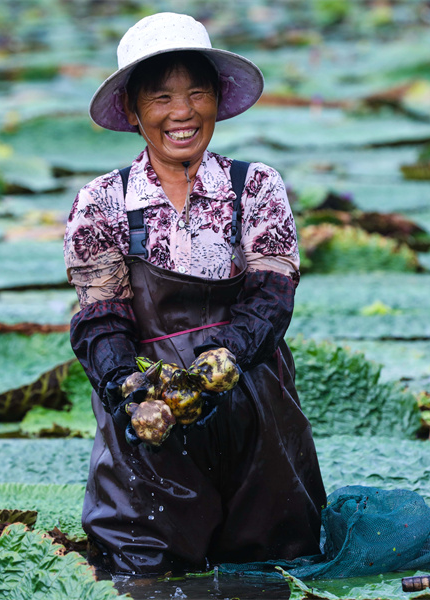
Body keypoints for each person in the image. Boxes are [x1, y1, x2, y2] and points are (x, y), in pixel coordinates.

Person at [64, 12, 326, 575]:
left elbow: (271, 296)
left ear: (217, 100)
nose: (182, 112)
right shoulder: (102, 203)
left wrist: (223, 358)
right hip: (149, 419)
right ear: (134, 112)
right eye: (160, 97)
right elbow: (99, 320)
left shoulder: (254, 186)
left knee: (274, 570)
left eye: (196, 93)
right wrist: (129, 390)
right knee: (144, 572)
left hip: (252, 407)